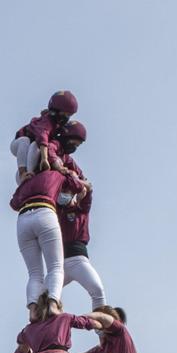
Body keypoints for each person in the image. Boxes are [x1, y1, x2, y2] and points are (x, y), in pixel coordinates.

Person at [11, 90, 84, 305]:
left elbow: (13, 202)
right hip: (44, 212)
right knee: (55, 267)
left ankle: (33, 308)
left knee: (34, 273)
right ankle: (52, 304)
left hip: (24, 214)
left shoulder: (28, 184)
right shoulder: (55, 174)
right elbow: (76, 183)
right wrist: (75, 179)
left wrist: (26, 181)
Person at [51, 120, 107, 310]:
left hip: (78, 259)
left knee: (98, 290)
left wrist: (82, 185)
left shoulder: (81, 210)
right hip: (59, 262)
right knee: (45, 296)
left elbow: (87, 189)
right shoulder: (57, 210)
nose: (67, 196)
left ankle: (104, 335)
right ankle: (40, 331)